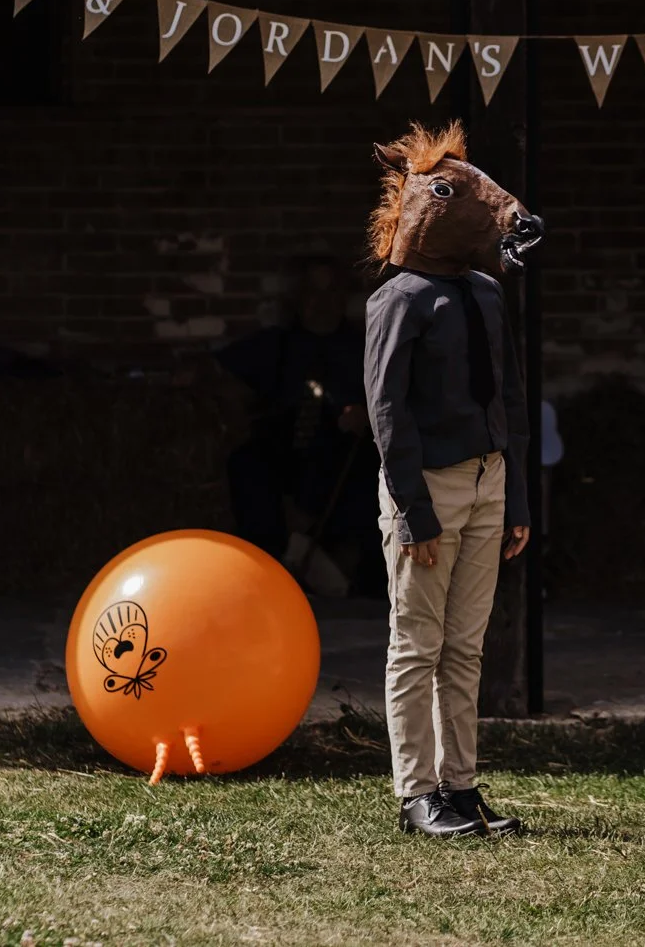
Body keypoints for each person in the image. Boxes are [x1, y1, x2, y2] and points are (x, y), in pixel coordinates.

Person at [364, 121, 544, 838]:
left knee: (466, 645)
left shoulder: (486, 293)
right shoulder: (399, 298)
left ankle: (460, 786)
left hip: (488, 480)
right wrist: (412, 510)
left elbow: (511, 396)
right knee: (417, 644)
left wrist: (517, 494)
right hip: (430, 487)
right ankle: (417, 792)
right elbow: (386, 410)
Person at [217, 257, 381, 598]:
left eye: (330, 292)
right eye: (312, 293)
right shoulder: (278, 343)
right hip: (285, 449)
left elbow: (402, 398)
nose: (322, 303)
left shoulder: (363, 348)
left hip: (345, 451)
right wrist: (236, 414)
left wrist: (369, 415)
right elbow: (218, 372)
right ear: (298, 298)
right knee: (247, 465)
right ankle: (265, 572)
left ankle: (359, 581)